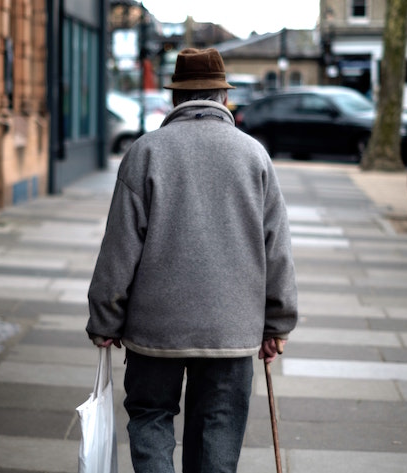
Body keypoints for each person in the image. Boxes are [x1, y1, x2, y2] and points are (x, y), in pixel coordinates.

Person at [86, 48, 298, 473]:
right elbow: (276, 247)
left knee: (150, 418)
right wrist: (278, 323)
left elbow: (119, 247)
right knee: (218, 428)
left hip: (155, 328)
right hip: (232, 327)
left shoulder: (145, 152)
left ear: (176, 98)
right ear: (223, 96)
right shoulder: (253, 155)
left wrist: (105, 318)